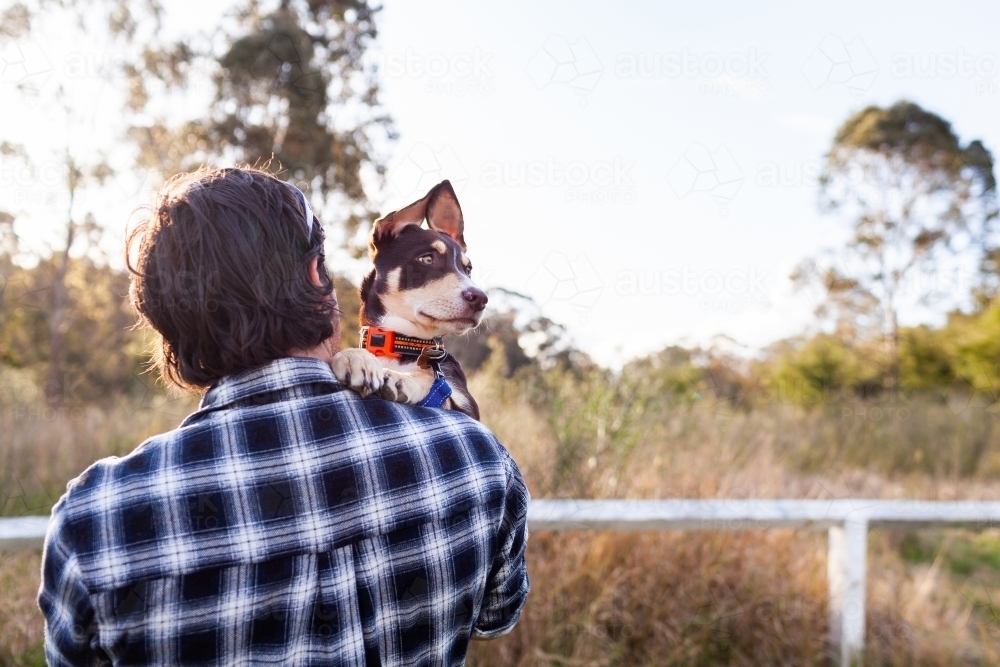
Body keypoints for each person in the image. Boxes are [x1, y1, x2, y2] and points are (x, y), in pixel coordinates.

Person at [37, 167, 530, 666]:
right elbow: (496, 616)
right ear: (318, 277)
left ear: (166, 326)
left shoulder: (94, 524)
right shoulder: (479, 459)